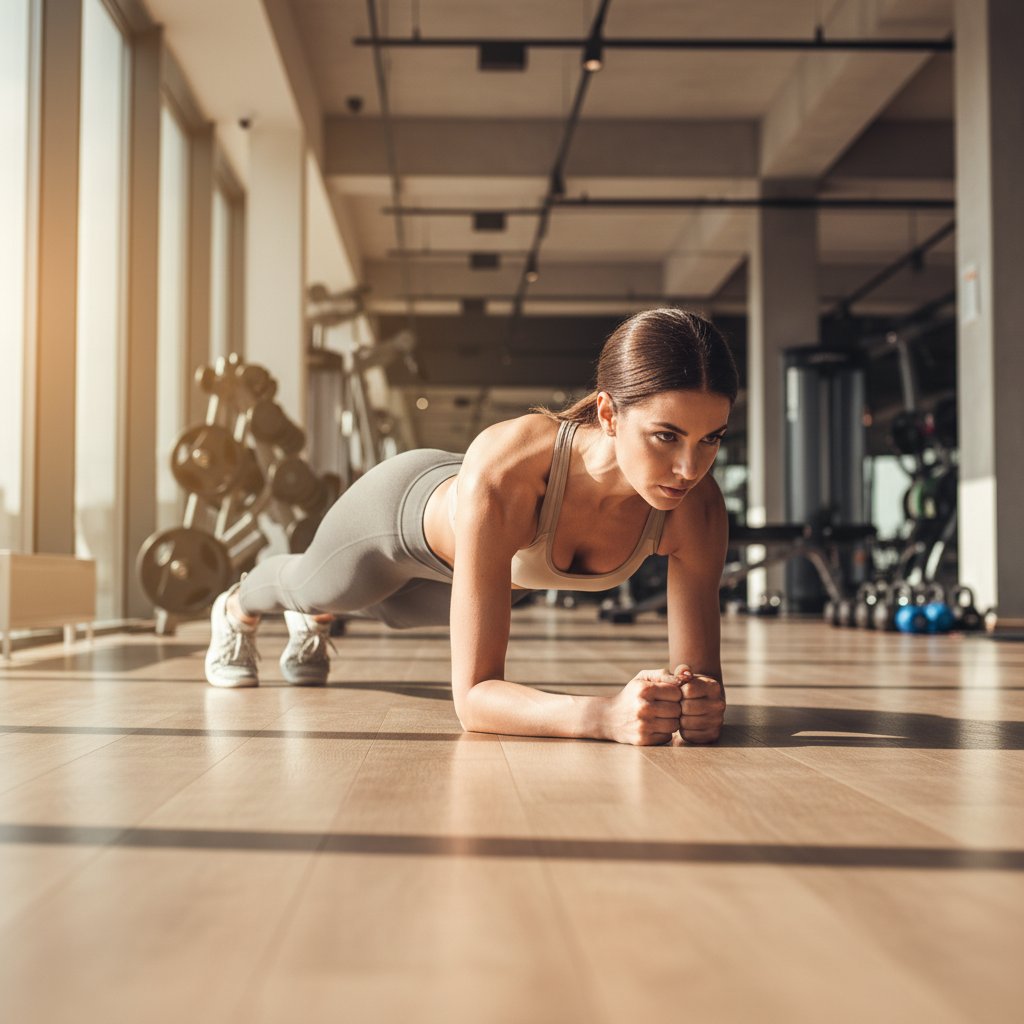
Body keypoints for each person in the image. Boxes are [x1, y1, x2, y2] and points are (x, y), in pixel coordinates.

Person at [204, 308, 735, 746]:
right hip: (397, 520)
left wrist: (700, 703)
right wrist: (602, 716)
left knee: (392, 614)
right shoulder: (512, 470)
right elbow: (474, 701)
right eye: (667, 436)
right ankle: (235, 608)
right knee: (314, 586)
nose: (689, 469)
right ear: (609, 414)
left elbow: (700, 677)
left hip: (483, 568)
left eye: (710, 438)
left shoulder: (697, 509)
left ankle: (316, 619)